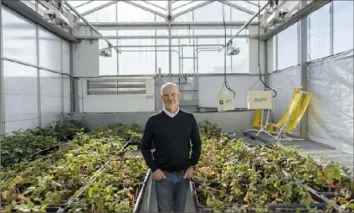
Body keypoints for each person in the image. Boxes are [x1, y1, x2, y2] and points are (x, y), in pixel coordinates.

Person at [140, 82, 202, 212]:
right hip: (163, 176)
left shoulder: (189, 119)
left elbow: (197, 144)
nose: (170, 98)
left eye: (173, 94)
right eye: (166, 95)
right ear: (161, 97)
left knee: (179, 210)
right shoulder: (153, 121)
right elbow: (144, 146)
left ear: (178, 95)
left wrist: (192, 166)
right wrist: (154, 169)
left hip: (183, 175)